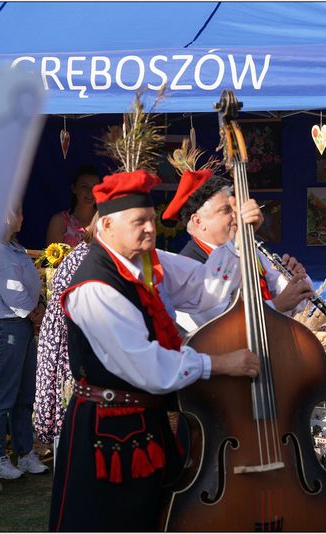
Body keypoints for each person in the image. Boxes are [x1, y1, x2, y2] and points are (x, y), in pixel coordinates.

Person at [48, 169, 263, 532]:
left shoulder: (147, 261)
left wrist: (238, 240)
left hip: (147, 421)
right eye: (139, 221)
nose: (150, 228)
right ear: (107, 225)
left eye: (151, 219)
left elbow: (206, 289)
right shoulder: (95, 287)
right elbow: (148, 365)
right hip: (105, 432)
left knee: (154, 517)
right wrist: (219, 363)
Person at [161, 167, 314, 330]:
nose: (237, 215)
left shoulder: (250, 249)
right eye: (226, 210)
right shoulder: (188, 265)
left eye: (236, 208)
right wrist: (277, 306)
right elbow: (218, 325)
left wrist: (293, 282)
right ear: (198, 221)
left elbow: (293, 300)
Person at [0, 206, 49, 479]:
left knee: (24, 394)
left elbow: (29, 285)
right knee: (4, 395)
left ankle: (25, 452)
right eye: (17, 211)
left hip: (21, 325)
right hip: (6, 326)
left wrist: (38, 305)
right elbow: (13, 293)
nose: (21, 216)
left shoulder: (15, 249)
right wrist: (35, 312)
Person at [33, 214, 97, 447]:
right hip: (67, 336)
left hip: (66, 333)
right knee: (66, 400)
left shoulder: (86, 253)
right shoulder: (87, 257)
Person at [45, 165, 101, 246]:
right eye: (84, 186)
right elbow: (52, 253)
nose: (90, 192)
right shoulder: (60, 221)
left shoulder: (105, 221)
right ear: (74, 188)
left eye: (95, 187)